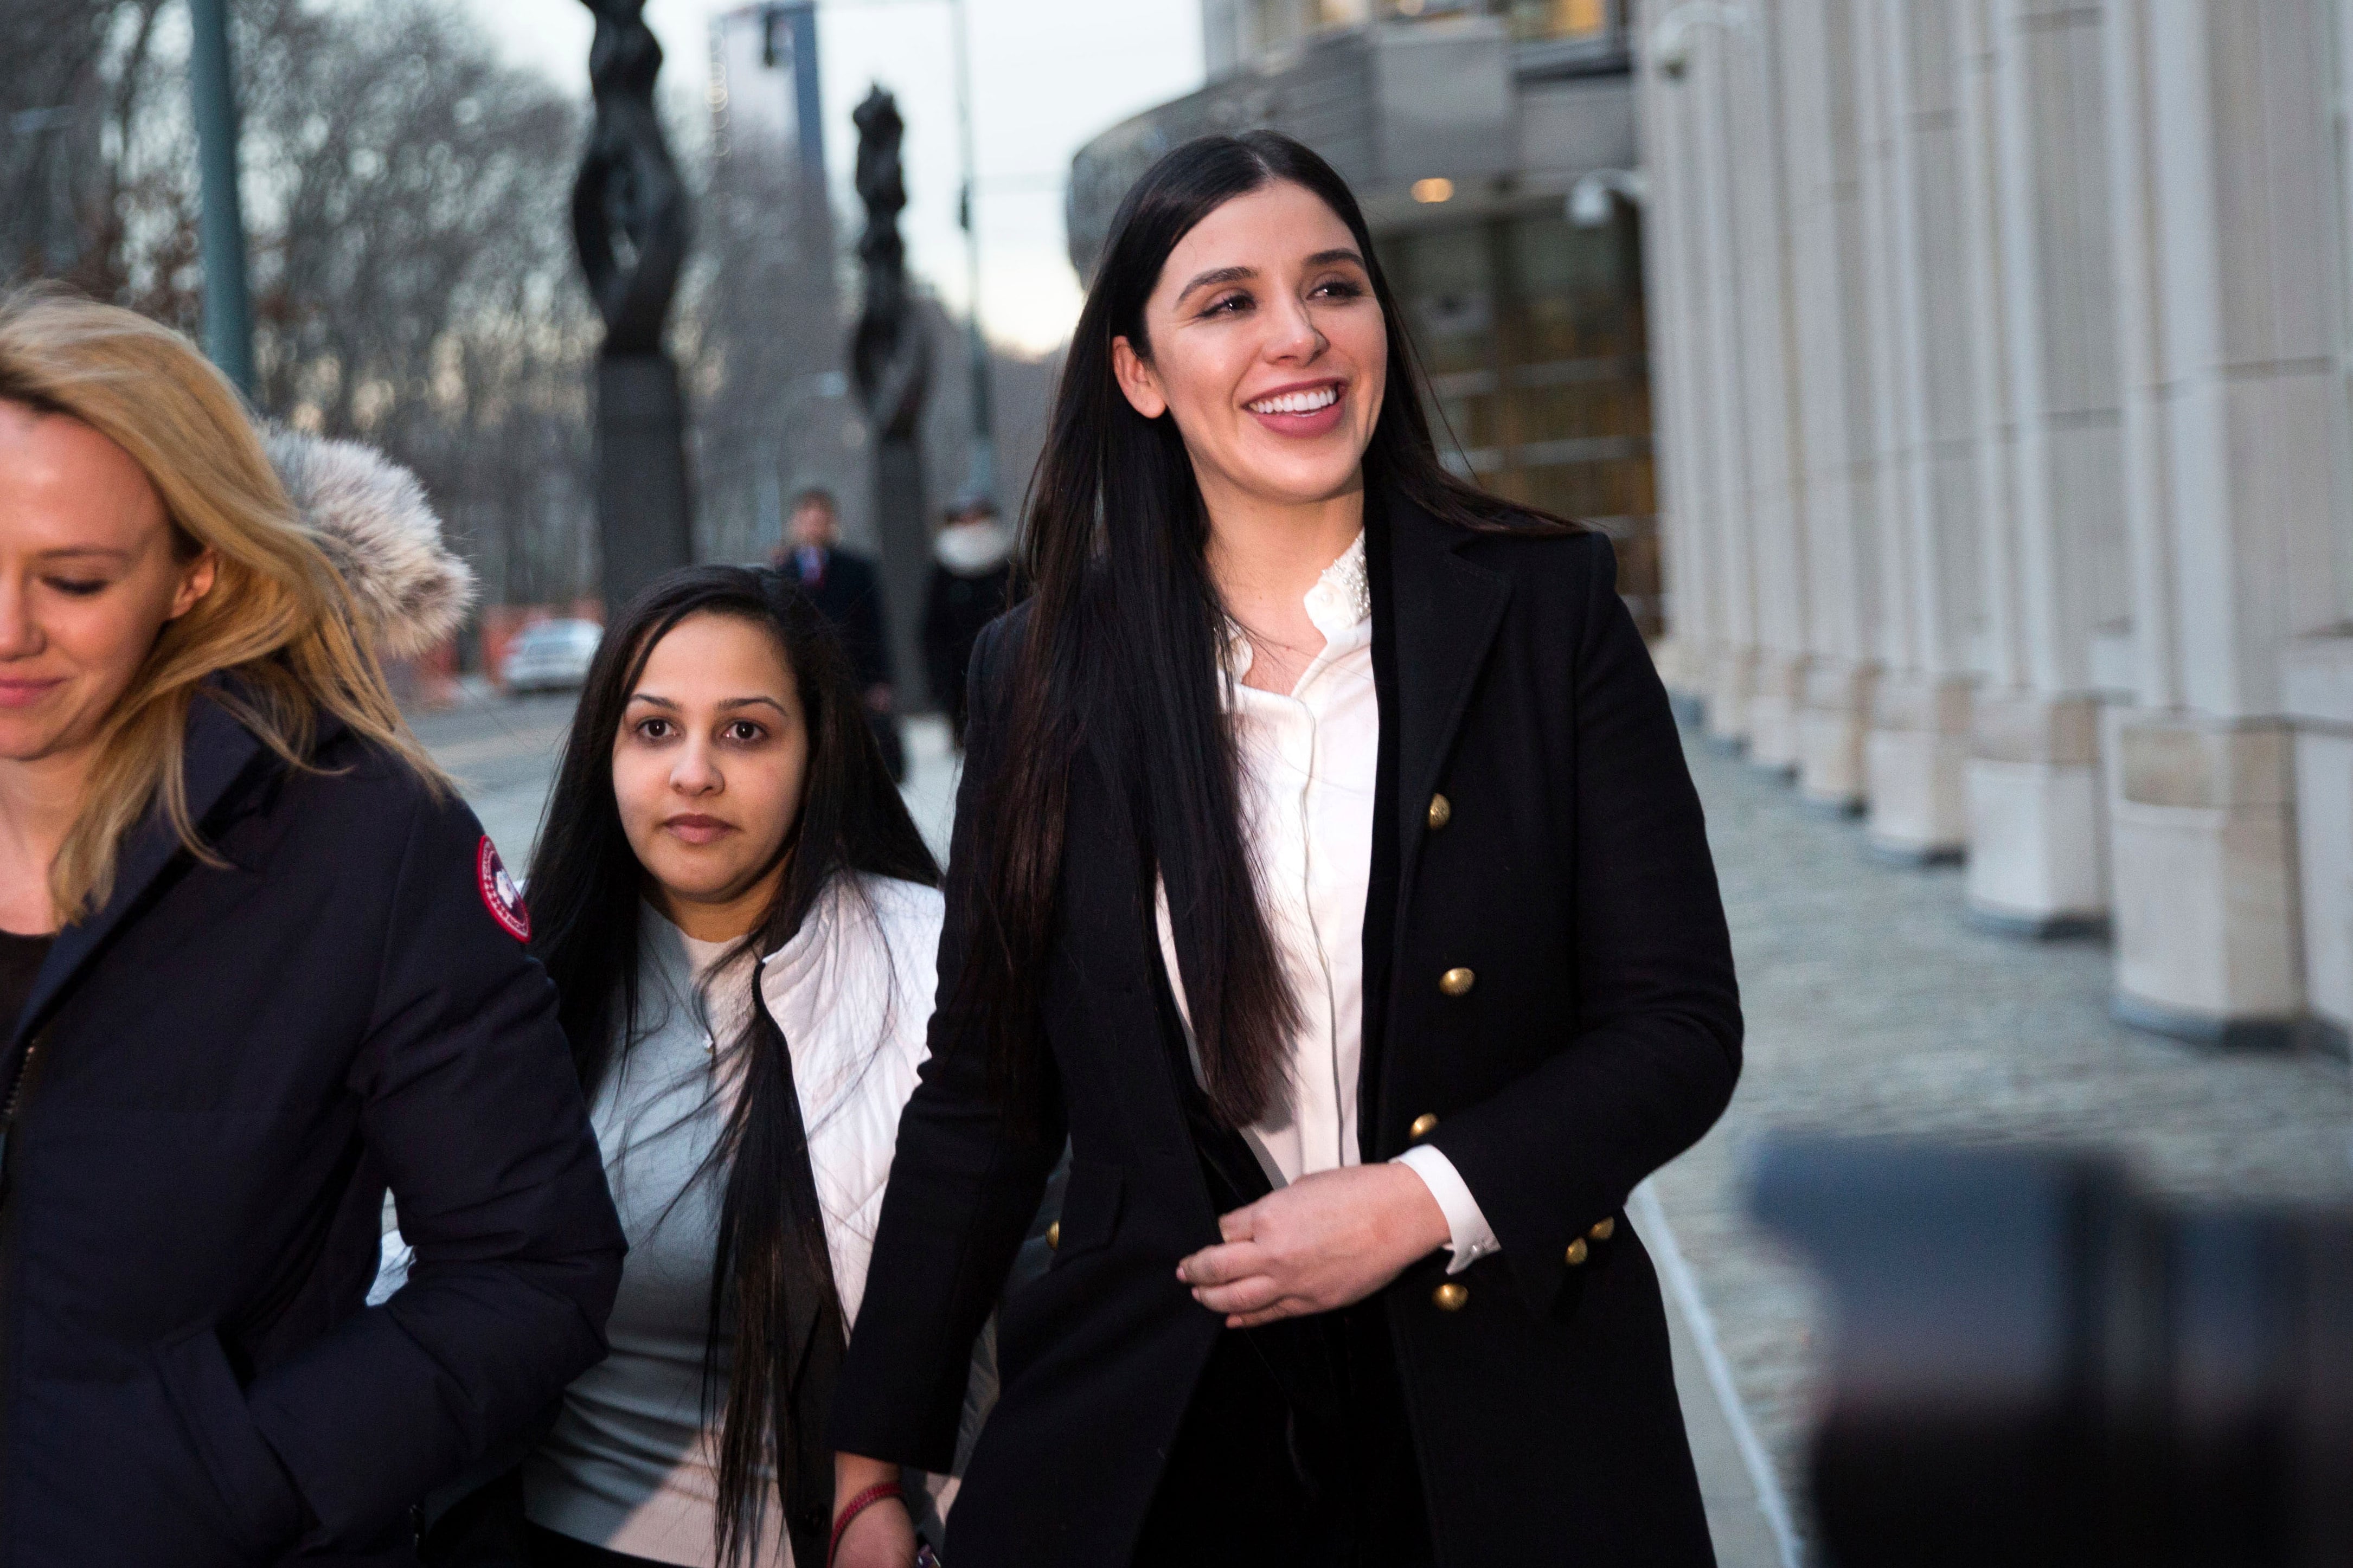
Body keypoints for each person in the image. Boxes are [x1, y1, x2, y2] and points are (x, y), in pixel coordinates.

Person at [827, 132, 1743, 1567]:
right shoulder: (1041, 671)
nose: (1296, 334)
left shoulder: (1546, 606)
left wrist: (1412, 1203)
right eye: (1226, 302)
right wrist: (869, 1450)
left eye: (1331, 286)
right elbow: (985, 1094)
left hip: (1510, 1406)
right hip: (1159, 1434)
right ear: (1137, 371)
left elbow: (1677, 1027)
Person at [0, 287, 625, 1564]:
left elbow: (532, 1273)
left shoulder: (368, 842)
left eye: (71, 581)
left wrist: (239, 1476)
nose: (6, 630)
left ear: (196, 572)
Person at [502, 565, 952, 1568]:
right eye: (654, 728)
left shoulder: (929, 960)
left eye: (744, 731)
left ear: (816, 750)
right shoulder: (512, 966)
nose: (692, 773)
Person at [772, 491, 902, 782]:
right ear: (796, 523)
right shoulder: (781, 572)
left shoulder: (857, 569)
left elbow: (875, 627)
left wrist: (880, 680)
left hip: (852, 674)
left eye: (821, 519)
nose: (814, 527)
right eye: (808, 519)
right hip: (803, 677)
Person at [918, 497, 1014, 751]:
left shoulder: (1010, 566)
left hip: (1010, 671)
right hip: (959, 677)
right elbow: (932, 629)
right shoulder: (943, 571)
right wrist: (938, 682)